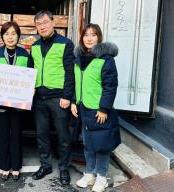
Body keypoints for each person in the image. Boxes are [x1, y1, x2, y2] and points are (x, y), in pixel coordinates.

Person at [71, 24, 121, 192]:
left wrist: (104, 108)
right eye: (86, 35)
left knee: (101, 145)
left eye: (93, 35)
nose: (89, 38)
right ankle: (90, 174)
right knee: (88, 144)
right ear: (82, 38)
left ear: (99, 38)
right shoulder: (78, 58)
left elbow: (110, 86)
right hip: (83, 108)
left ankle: (101, 177)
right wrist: (73, 102)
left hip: (98, 110)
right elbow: (75, 83)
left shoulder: (106, 59)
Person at [30, 10, 74, 185]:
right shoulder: (34, 46)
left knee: (63, 136)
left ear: (53, 23)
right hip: (39, 99)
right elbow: (30, 72)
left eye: (45, 22)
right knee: (42, 134)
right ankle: (46, 165)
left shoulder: (65, 44)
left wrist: (67, 96)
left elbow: (70, 72)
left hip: (58, 98)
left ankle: (64, 168)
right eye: (39, 24)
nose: (42, 26)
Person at [0, 21, 31, 181]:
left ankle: (16, 166)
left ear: (18, 36)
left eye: (13, 33)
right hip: (0, 106)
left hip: (18, 105)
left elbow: (29, 77)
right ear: (2, 36)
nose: (10, 37)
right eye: (7, 34)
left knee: (16, 136)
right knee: (4, 136)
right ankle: (5, 167)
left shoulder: (25, 54)